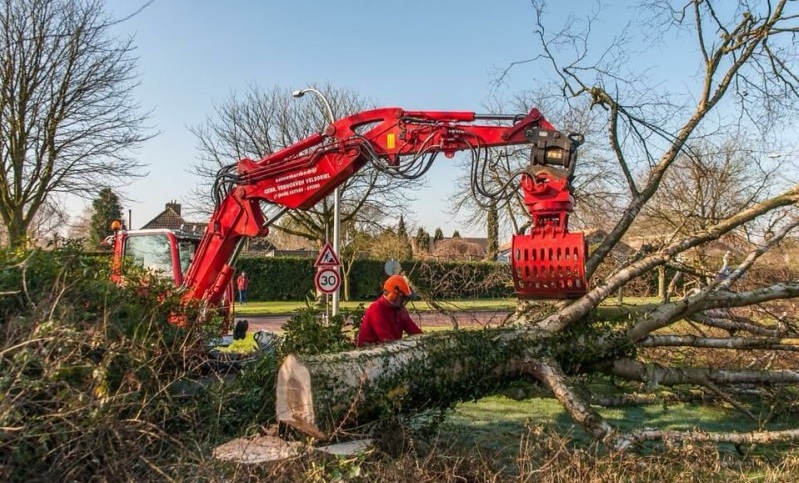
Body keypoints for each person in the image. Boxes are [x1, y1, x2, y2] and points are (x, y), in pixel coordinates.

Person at [356, 274, 422, 347]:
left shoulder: (400, 310)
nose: (404, 302)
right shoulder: (377, 309)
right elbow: (387, 340)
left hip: (390, 350)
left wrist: (425, 341)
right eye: (402, 298)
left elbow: (414, 331)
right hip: (370, 353)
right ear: (392, 295)